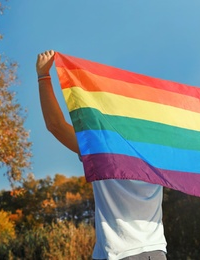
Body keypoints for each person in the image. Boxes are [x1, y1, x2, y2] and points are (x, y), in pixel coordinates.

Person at [36, 50, 167, 260]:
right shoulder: (159, 154)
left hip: (118, 253)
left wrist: (43, 76)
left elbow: (56, 126)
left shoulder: (103, 151)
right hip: (155, 251)